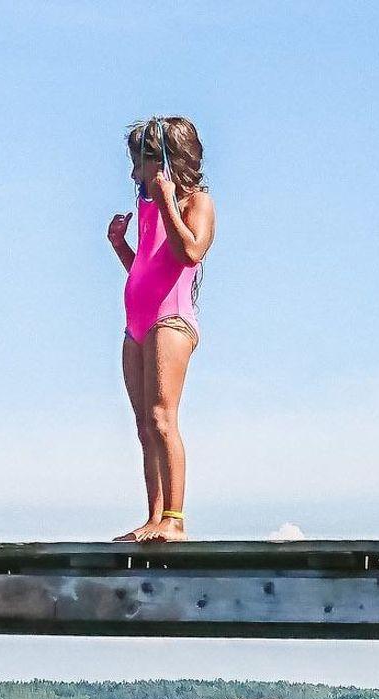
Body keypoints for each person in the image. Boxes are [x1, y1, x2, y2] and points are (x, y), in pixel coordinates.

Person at [108, 117, 216, 544]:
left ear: (165, 163)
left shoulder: (197, 201)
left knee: (162, 418)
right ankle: (154, 517)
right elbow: (148, 267)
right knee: (142, 424)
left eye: (140, 164)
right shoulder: (149, 207)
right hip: (137, 322)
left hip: (171, 320)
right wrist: (120, 245)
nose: (135, 175)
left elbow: (189, 252)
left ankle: (175, 518)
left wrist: (171, 199)